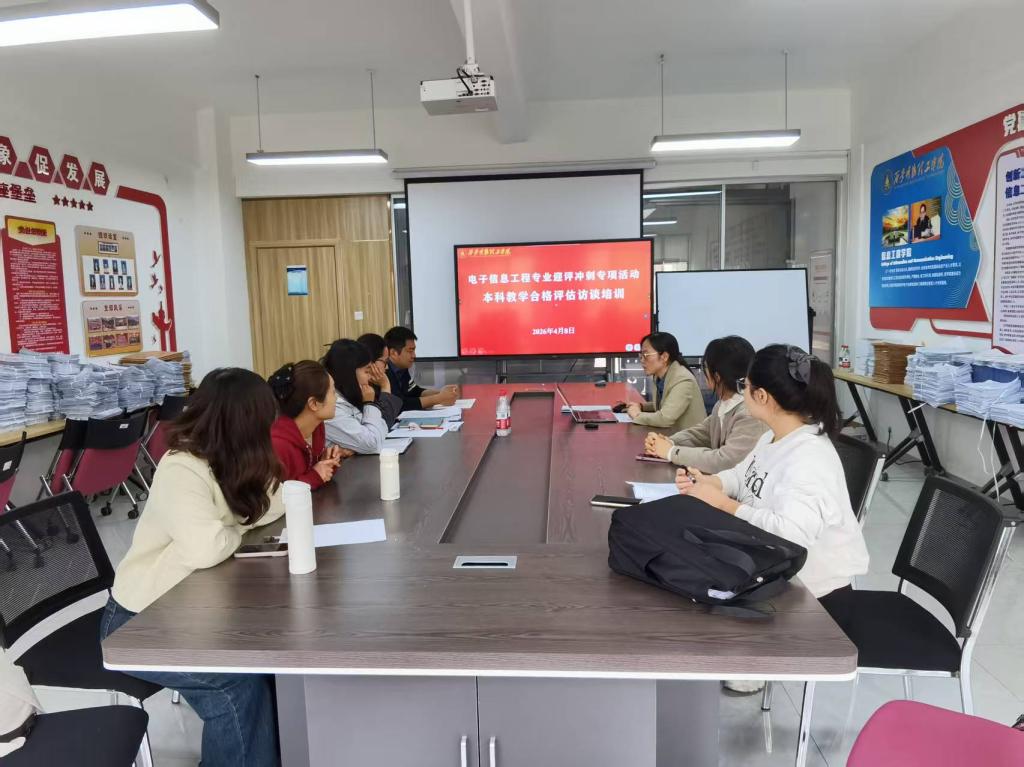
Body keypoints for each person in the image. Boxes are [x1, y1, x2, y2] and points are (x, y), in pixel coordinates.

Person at [99, 368, 286, 767]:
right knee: (235, 687)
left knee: (273, 664)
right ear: (243, 422)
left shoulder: (233, 458)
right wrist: (236, 526)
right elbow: (205, 549)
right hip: (140, 620)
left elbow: (276, 502)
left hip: (195, 608)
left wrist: (229, 527)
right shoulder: (181, 467)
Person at [674, 345, 870, 692]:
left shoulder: (808, 459)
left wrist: (725, 505)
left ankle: (752, 658)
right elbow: (742, 475)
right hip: (776, 568)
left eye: (745, 385)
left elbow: (790, 537)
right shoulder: (774, 436)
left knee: (693, 598)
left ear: (762, 396)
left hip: (813, 595)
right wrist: (712, 482)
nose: (742, 390)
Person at [644, 336, 766, 473]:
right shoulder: (723, 404)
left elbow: (725, 461)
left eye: (705, 368)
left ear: (717, 376)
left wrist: (671, 452)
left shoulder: (750, 413)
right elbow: (701, 433)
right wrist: (668, 441)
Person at [268, 360, 349, 489]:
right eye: (333, 392)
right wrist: (315, 477)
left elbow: (310, 471)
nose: (336, 399)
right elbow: (275, 495)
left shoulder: (317, 427)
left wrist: (325, 463)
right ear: (314, 404)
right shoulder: (278, 444)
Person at [323, 339, 403, 454]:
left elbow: (383, 427)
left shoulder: (349, 397)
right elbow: (372, 443)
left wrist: (357, 448)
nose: (370, 377)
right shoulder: (332, 408)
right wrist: (369, 404)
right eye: (367, 372)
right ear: (349, 374)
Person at [625, 331, 705, 431]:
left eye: (646, 354)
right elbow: (665, 403)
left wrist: (637, 415)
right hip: (672, 435)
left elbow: (665, 419)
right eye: (641, 355)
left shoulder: (682, 379)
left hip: (690, 439)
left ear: (664, 357)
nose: (642, 360)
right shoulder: (659, 376)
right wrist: (641, 406)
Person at [383, 326, 459, 410]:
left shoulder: (401, 367)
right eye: (410, 351)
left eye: (414, 350)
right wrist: (438, 398)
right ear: (393, 353)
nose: (414, 355)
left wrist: (442, 393)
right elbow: (399, 405)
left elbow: (414, 391)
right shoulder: (383, 371)